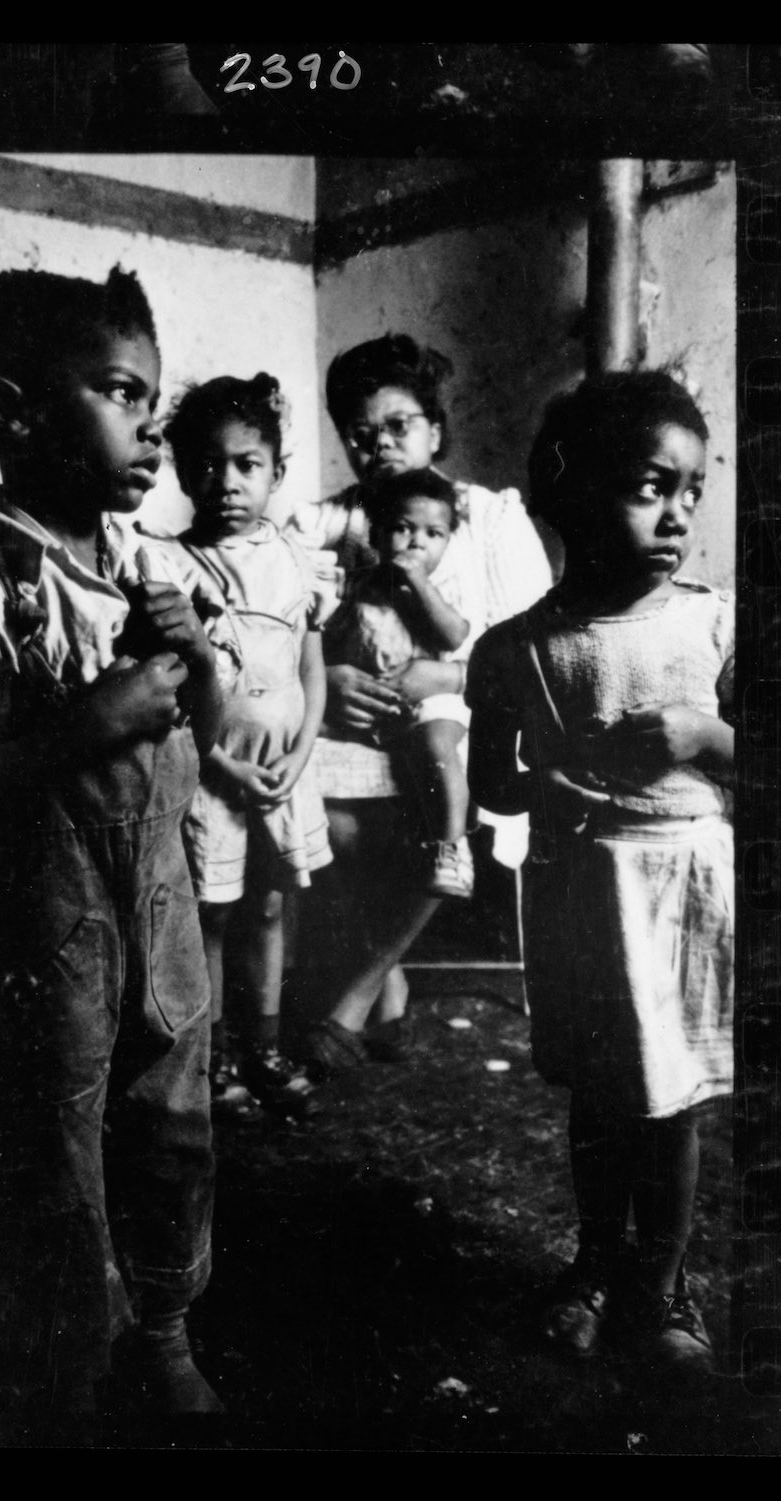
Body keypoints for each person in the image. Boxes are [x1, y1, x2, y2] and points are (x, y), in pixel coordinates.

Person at [0, 265, 226, 1443]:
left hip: (165, 918)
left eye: (155, 397)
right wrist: (84, 724)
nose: (152, 423)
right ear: (19, 410)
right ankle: (77, 1353)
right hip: (48, 936)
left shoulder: (157, 568)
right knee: (58, 1140)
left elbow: (213, 737)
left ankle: (166, 1328)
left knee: (173, 1123)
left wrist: (199, 659)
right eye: (123, 393)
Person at [466, 369, 734, 1372]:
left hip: (683, 889)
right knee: (599, 1096)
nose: (677, 514)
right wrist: (546, 792)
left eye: (691, 491)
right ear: (568, 488)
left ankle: (661, 1287)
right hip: (583, 893)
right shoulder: (513, 650)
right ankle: (591, 1264)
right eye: (649, 487)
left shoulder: (714, 622)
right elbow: (494, 781)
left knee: (672, 1102)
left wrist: (702, 732)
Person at [288, 332, 552, 1078]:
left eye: (399, 425)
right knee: (327, 819)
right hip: (355, 717)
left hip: (461, 717)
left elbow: (532, 649)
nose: (379, 446)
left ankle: (362, 989)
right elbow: (280, 636)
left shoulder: (487, 518)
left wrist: (443, 678)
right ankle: (393, 978)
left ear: (435, 430)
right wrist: (330, 683)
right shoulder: (325, 525)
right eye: (361, 433)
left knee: (443, 794)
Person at [168, 374, 331, 1119]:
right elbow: (172, 696)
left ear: (275, 471)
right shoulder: (170, 566)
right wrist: (219, 761)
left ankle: (263, 1046)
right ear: (181, 471)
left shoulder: (299, 560)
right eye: (207, 465)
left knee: (268, 908)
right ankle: (213, 1056)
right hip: (213, 774)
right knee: (214, 914)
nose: (227, 482)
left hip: (281, 772)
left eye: (246, 465)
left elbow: (311, 670)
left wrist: (298, 758)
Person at [322, 467, 478, 898]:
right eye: (403, 529)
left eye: (434, 534)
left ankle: (450, 846)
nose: (416, 543)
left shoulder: (440, 588)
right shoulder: (354, 586)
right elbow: (330, 638)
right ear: (376, 534)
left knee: (438, 743)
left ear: (449, 541)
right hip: (371, 702)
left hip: (428, 699)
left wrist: (421, 585)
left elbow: (454, 636)